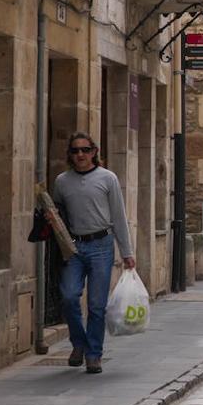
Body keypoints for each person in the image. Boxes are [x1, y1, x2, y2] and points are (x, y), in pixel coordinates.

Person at [51, 131, 134, 374]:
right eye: (75, 150)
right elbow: (59, 215)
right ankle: (79, 344)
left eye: (85, 150)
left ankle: (93, 354)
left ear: (94, 152)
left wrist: (127, 252)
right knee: (69, 296)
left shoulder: (108, 179)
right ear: (70, 154)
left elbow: (118, 217)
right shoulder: (62, 182)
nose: (80, 155)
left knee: (97, 305)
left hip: (101, 245)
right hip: (73, 247)